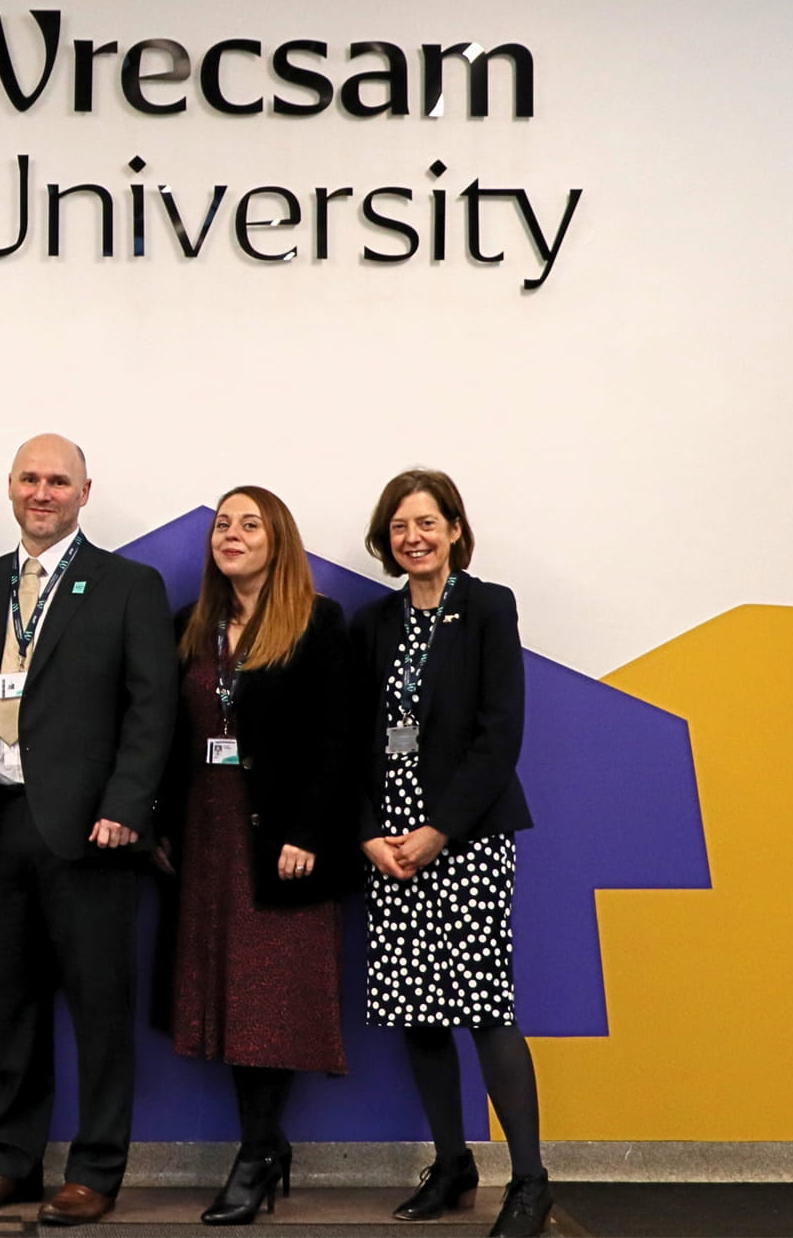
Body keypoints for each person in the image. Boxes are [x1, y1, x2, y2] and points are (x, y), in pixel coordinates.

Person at [0, 434, 176, 1228]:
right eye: (29, 478)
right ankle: (13, 1163)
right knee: (12, 1006)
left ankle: (95, 1171)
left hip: (91, 833)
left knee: (100, 1012)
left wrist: (126, 808)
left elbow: (151, 709)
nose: (42, 492)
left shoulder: (128, 585)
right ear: (9, 487)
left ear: (84, 492)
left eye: (57, 480)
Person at [349, 469, 553, 1238]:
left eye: (427, 523)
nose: (414, 538)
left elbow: (499, 734)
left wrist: (438, 830)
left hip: (463, 838)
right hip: (388, 846)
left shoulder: (488, 608)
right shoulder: (372, 623)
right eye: (400, 526)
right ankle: (451, 1163)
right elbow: (351, 742)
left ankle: (530, 1182)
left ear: (455, 530)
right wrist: (372, 834)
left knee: (483, 1009)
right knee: (415, 1010)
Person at [158, 486, 356, 1225]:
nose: (231, 534)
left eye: (249, 523)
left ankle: (258, 1152)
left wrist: (306, 831)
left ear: (278, 540)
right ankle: (263, 1148)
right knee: (227, 994)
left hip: (279, 842)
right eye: (221, 524)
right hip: (207, 835)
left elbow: (336, 742)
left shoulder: (315, 623)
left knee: (268, 998)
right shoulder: (191, 627)